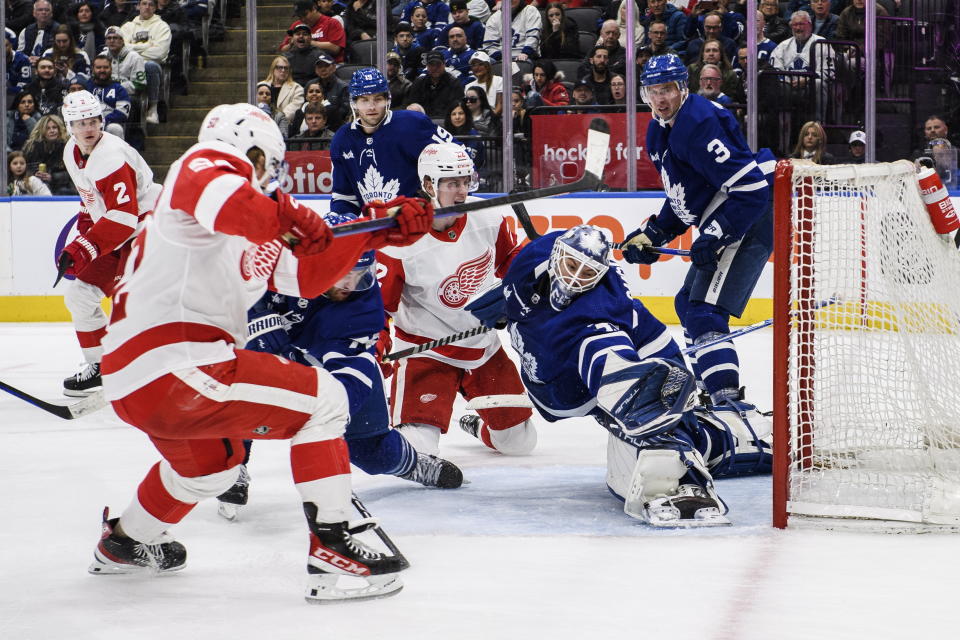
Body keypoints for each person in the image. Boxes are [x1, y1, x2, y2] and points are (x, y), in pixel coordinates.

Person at [89, 101, 433, 602]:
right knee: (327, 400)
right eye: (268, 163)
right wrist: (292, 220)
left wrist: (378, 230)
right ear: (246, 149)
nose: (272, 176)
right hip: (180, 363)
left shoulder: (242, 230)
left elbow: (310, 276)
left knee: (211, 469)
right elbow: (246, 207)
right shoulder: (200, 165)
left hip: (136, 380)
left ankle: (124, 543)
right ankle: (335, 546)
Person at [464, 225, 772, 525]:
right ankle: (728, 432)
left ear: (599, 276)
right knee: (644, 411)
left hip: (602, 369)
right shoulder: (534, 257)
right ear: (557, 254)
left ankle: (718, 452)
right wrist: (505, 305)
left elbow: (625, 361)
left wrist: (649, 397)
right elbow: (521, 289)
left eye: (586, 273)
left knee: (645, 407)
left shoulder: (599, 312)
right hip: (553, 376)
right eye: (570, 264)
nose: (573, 278)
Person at [222, 220, 464, 519]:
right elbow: (230, 278)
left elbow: (353, 371)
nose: (350, 285)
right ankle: (232, 467)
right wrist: (253, 318)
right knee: (237, 390)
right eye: (344, 273)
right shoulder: (280, 256)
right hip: (267, 352)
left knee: (371, 451)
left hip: (326, 362)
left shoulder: (363, 307)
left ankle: (411, 463)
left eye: (360, 276)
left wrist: (333, 415)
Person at [620, 54, 775, 433]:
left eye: (668, 89)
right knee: (685, 305)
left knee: (704, 311)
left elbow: (752, 190)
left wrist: (717, 232)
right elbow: (684, 197)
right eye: (654, 91)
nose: (661, 98)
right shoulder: (659, 131)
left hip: (750, 216)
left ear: (682, 88)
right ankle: (712, 392)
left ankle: (730, 406)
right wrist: (654, 233)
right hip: (731, 213)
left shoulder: (701, 122)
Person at [378, 142, 536, 458]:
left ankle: (473, 424)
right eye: (452, 184)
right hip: (428, 353)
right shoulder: (398, 242)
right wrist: (376, 348)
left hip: (483, 347)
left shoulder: (489, 217)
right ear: (427, 185)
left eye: (466, 182)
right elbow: (378, 307)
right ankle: (403, 402)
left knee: (519, 443)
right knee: (416, 451)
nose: (462, 192)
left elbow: (510, 261)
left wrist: (537, 262)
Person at [56, 90, 162, 397]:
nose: (88, 128)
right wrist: (84, 238)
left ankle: (150, 374)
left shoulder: (111, 157)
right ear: (70, 127)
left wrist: (82, 248)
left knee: (131, 305)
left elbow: (125, 217)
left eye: (93, 121)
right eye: (80, 123)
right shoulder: (71, 153)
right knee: (79, 297)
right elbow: (92, 202)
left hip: (145, 229)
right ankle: (102, 367)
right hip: (116, 233)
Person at [331, 68, 455, 217]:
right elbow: (345, 197)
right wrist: (341, 218)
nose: (371, 107)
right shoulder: (342, 138)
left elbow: (458, 153)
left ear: (387, 100)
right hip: (377, 229)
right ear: (354, 103)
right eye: (364, 100)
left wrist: (431, 197)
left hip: (418, 223)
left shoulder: (411, 123)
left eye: (378, 99)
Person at [120, 0, 171, 124]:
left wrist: (132, 47)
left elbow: (160, 53)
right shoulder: (128, 27)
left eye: (151, 4)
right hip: (129, 66)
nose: (147, 7)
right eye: (144, 4)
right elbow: (121, 49)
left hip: (152, 66)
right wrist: (148, 45)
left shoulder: (162, 26)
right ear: (138, 6)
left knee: (150, 65)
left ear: (155, 8)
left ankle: (153, 109)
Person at [280, 0, 346, 62]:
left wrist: (309, 42)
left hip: (329, 65)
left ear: (314, 9)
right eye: (299, 16)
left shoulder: (332, 23)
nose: (302, 19)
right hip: (303, 65)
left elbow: (335, 48)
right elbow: (283, 49)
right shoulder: (296, 25)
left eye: (305, 15)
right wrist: (291, 44)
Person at [404, 50, 464, 119]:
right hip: (423, 121)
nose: (435, 68)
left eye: (438, 64)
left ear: (444, 65)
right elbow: (411, 104)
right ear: (427, 66)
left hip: (446, 122)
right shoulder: (419, 83)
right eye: (431, 64)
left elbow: (457, 108)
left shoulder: (454, 83)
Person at [22, 113, 72, 194]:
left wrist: (53, 177)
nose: (51, 131)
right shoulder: (31, 147)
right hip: (36, 184)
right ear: (42, 130)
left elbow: (72, 173)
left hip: (62, 186)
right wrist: (35, 174)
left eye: (54, 127)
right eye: (47, 128)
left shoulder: (68, 146)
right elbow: (25, 168)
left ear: (60, 129)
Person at [86, 55, 131, 139]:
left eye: (106, 67)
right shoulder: (86, 86)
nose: (102, 70)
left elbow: (122, 113)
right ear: (93, 69)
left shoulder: (119, 89)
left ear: (111, 69)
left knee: (115, 128)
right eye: (98, 67)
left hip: (109, 124)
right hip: (87, 124)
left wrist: (101, 121)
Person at [103, 27, 148, 102]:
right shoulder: (102, 56)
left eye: (115, 38)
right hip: (105, 93)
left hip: (128, 95)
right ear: (105, 42)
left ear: (122, 41)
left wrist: (115, 88)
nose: (112, 41)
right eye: (109, 38)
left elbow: (140, 85)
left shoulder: (135, 57)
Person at [309, 53, 350, 129]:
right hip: (312, 123)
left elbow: (344, 111)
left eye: (327, 66)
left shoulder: (343, 87)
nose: (323, 69)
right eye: (320, 66)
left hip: (335, 126)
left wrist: (323, 118)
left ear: (334, 67)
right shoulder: (311, 85)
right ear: (316, 70)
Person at [264, 55, 305, 123]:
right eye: (280, 67)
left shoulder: (297, 88)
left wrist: (275, 121)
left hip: (284, 125)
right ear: (273, 69)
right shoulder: (261, 86)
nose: (283, 70)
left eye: (286, 68)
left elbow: (292, 111)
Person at [17, 0, 58, 64]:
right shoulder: (26, 31)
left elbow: (61, 53)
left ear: (51, 14)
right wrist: (27, 58)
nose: (44, 12)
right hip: (28, 64)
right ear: (34, 13)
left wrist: (41, 59)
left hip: (50, 64)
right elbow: (20, 53)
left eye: (47, 10)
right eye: (40, 10)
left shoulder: (59, 30)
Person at [464, 51, 502, 115]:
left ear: (487, 66)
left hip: (494, 118)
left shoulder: (499, 80)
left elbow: (500, 105)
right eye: (473, 65)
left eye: (480, 64)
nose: (476, 68)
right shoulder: (468, 86)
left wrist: (489, 119)